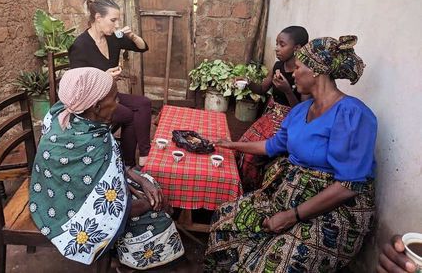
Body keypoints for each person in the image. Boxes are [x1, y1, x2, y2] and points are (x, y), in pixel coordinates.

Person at [205, 35, 377, 272]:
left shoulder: (351, 114)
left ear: (316, 70)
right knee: (226, 217)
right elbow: (271, 146)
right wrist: (230, 145)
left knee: (276, 263)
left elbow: (348, 185)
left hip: (332, 210)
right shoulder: (300, 111)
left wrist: (292, 216)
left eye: (297, 67)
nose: (293, 74)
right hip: (287, 195)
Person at [29, 67, 184, 269]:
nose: (118, 103)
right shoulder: (90, 144)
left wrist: (141, 180)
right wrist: (148, 204)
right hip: (66, 209)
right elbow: (108, 209)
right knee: (154, 214)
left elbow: (110, 168)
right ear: (96, 106)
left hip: (60, 190)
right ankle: (134, 261)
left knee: (151, 182)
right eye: (114, 98)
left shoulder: (69, 115)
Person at [68, 0, 151, 169]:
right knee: (129, 116)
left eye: (117, 20)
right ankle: (128, 164)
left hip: (110, 97)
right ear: (98, 18)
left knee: (144, 103)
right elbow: (78, 88)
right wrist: (104, 77)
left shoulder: (113, 38)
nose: (116, 25)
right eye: (113, 20)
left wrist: (132, 36)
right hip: (91, 103)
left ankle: (144, 153)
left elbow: (143, 47)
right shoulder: (80, 45)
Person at [236, 26, 309, 191]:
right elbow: (262, 89)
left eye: (282, 44)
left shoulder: (303, 73)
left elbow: (302, 112)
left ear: (297, 48)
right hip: (271, 116)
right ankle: (240, 188)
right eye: (276, 44)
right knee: (241, 146)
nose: (276, 48)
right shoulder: (278, 66)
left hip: (289, 122)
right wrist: (247, 82)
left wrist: (287, 91)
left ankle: (255, 190)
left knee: (253, 157)